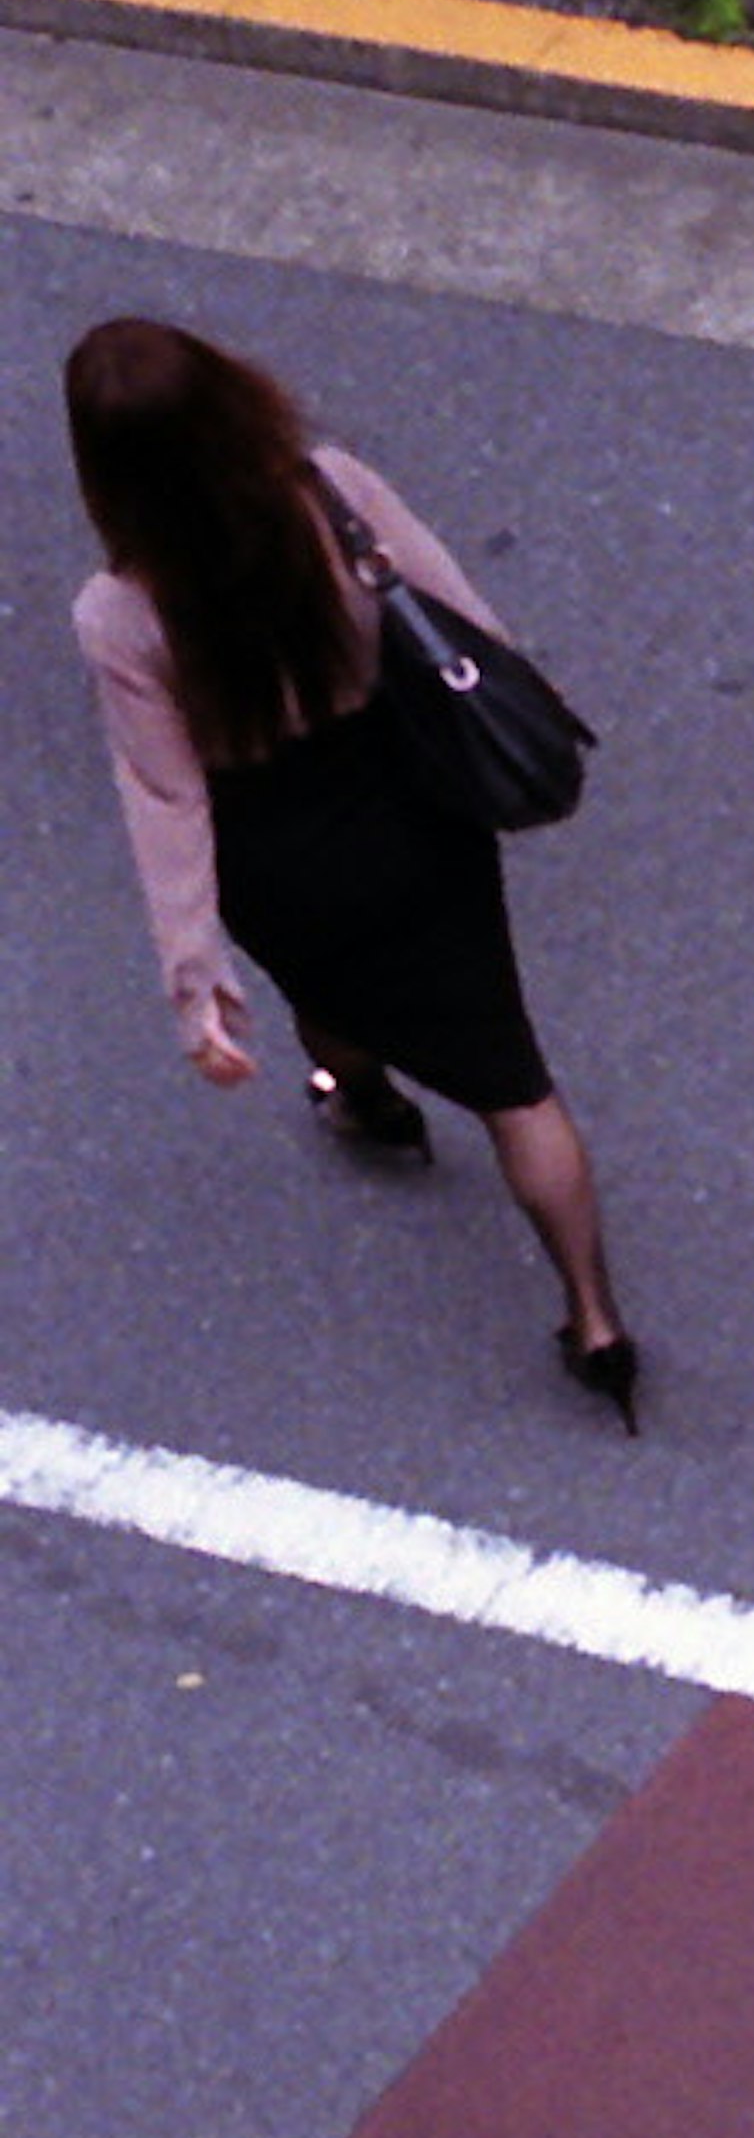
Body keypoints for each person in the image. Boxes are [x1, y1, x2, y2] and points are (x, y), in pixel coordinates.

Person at [64, 316, 639, 1424]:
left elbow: (167, 793)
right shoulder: (326, 490)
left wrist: (196, 972)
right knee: (513, 1079)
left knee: (327, 995)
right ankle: (596, 1319)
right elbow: (455, 609)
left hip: (276, 845)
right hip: (407, 797)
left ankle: (365, 1098)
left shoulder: (119, 613)